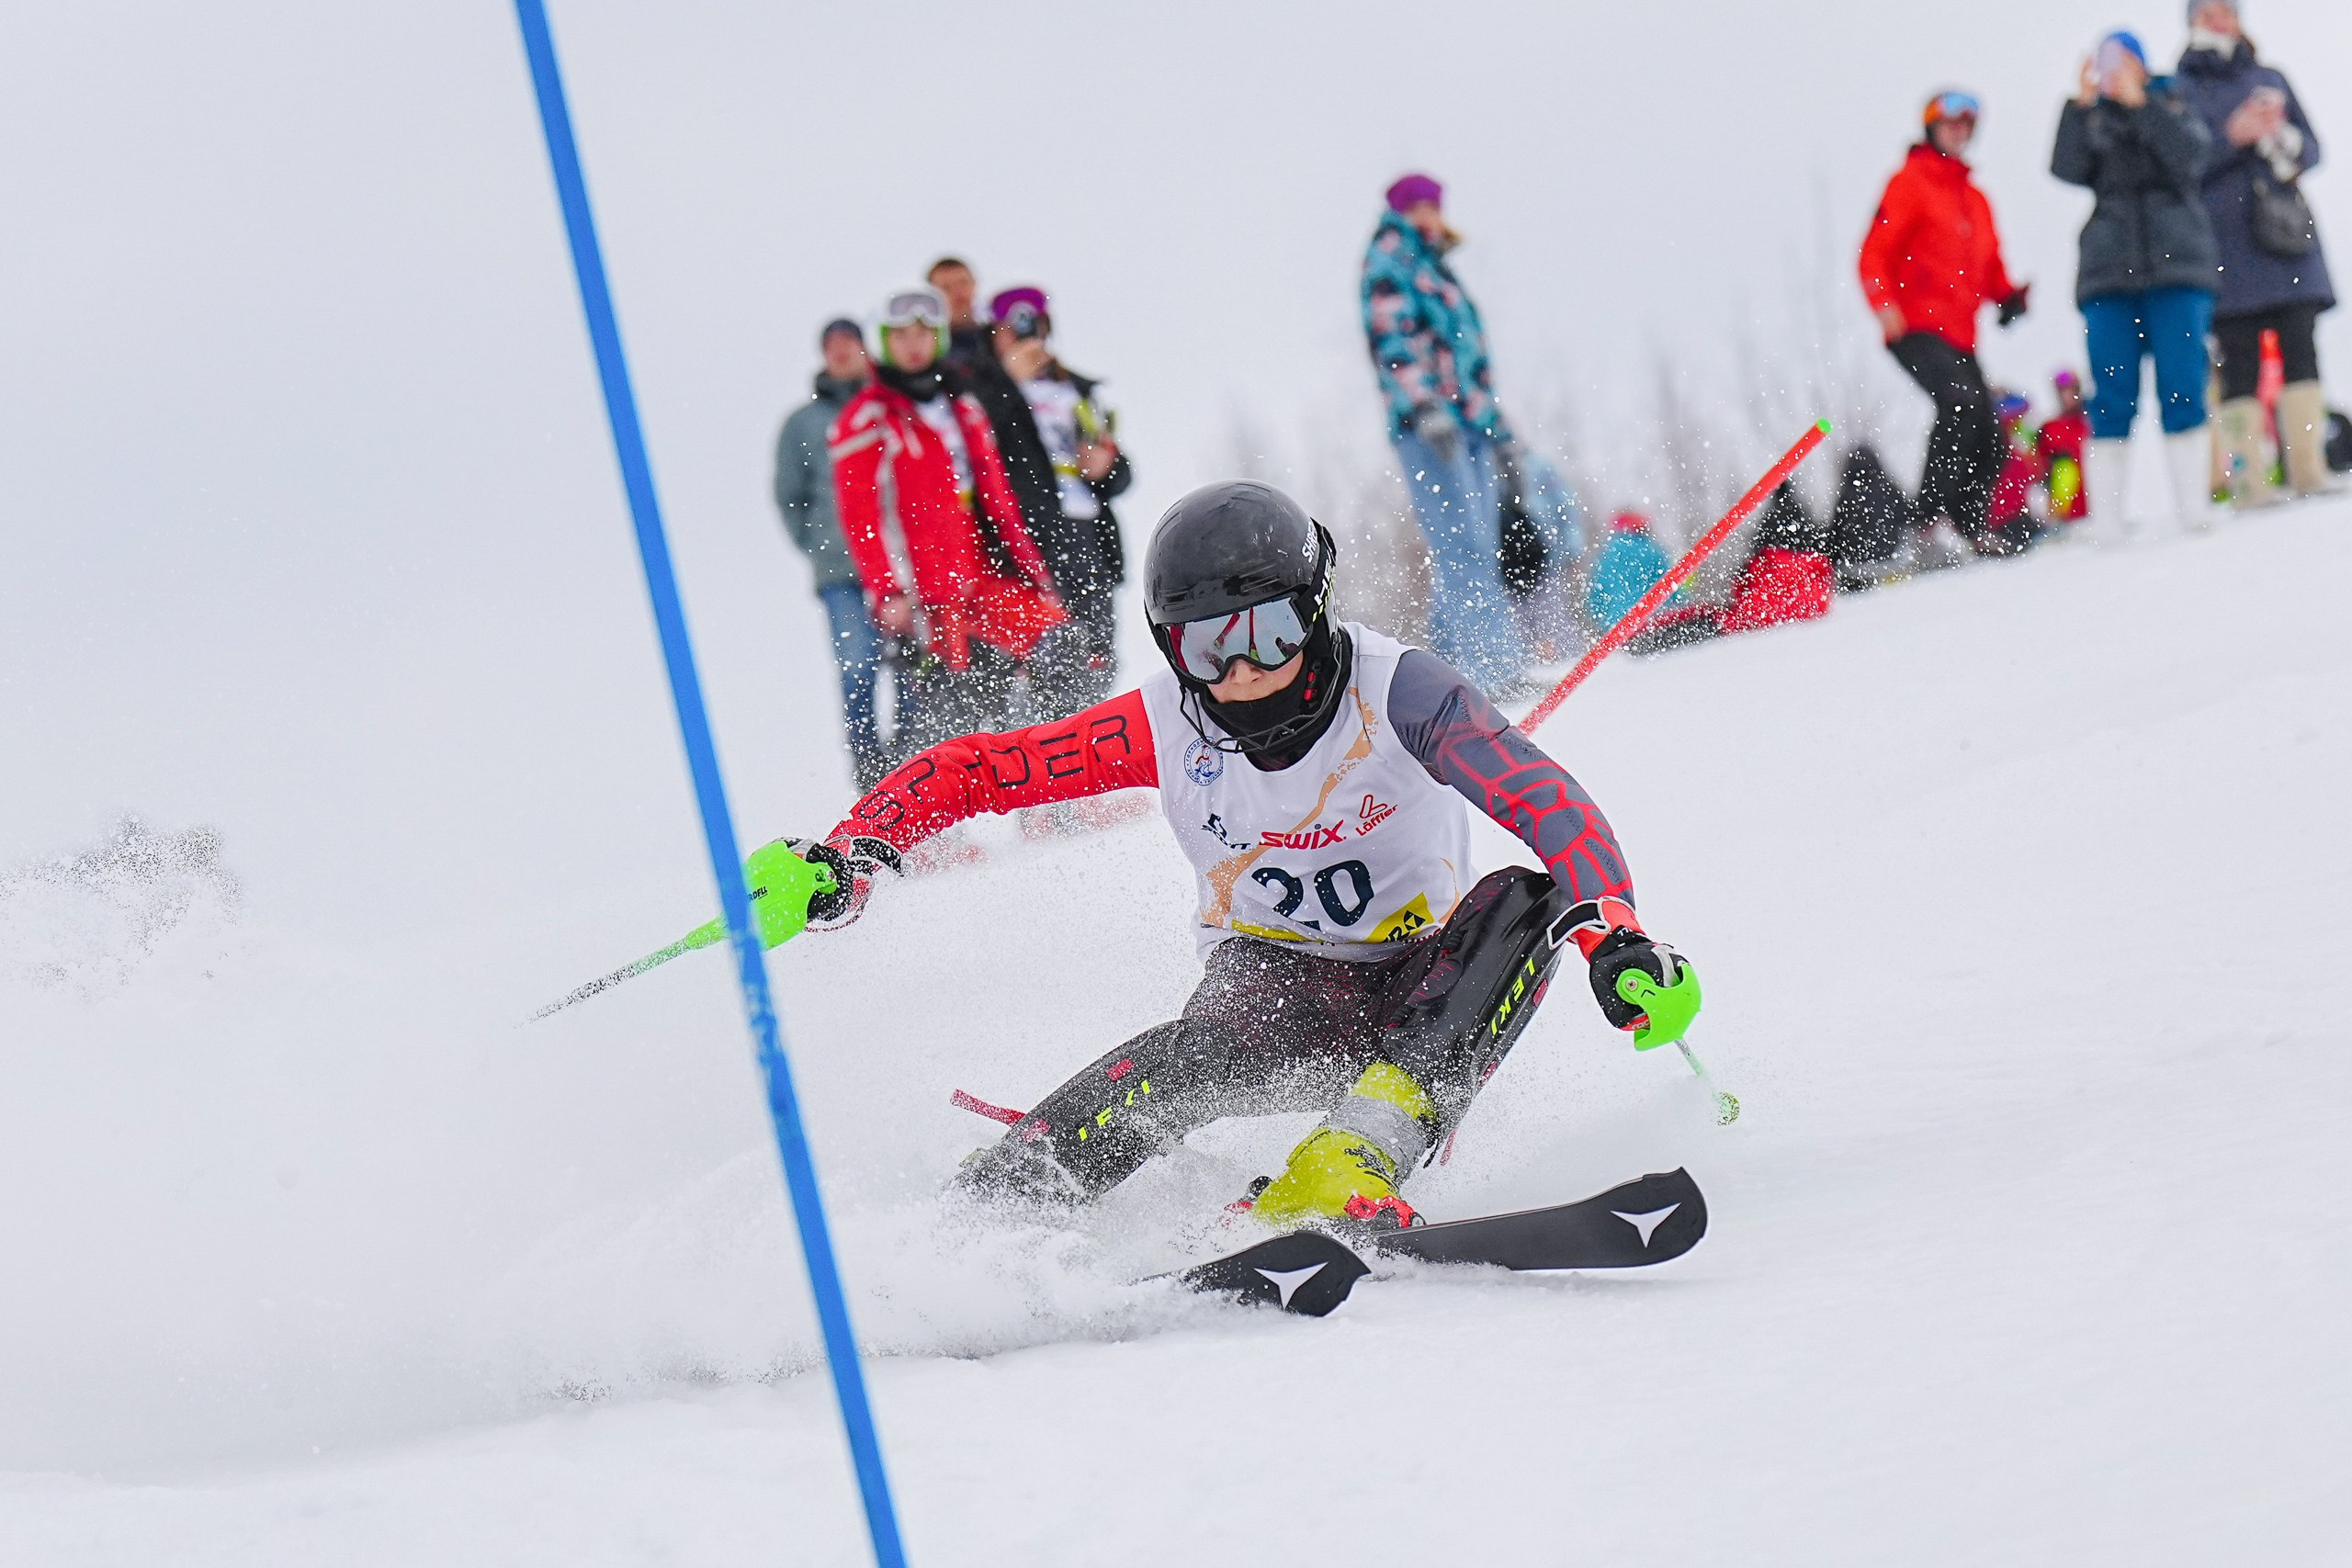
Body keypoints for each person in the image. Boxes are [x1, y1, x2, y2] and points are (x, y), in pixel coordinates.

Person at [774, 481, 1696, 1232]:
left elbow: (1543, 798)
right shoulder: (1161, 726)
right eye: (1210, 648)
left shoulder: (1402, 691)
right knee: (1184, 1059)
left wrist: (1615, 937)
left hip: (1431, 994)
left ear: (1315, 609)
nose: (1244, 671)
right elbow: (981, 771)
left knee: (1531, 901)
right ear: (1173, 646)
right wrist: (854, 850)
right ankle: (1008, 1199)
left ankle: (1356, 1153)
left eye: (1270, 632)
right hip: (1273, 993)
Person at [828, 286, 1071, 743]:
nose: (914, 344)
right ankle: (943, 808)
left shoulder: (962, 405)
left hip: (982, 572)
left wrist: (1034, 572)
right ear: (883, 342)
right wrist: (887, 591)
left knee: (1060, 649)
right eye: (900, 335)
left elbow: (999, 501)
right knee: (957, 711)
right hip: (927, 592)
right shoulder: (867, 418)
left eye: (924, 332)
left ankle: (1060, 795)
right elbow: (862, 519)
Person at [1361, 173, 1532, 690]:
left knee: (1474, 544)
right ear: (1404, 211)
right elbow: (1392, 339)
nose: (1432, 216)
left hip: (1467, 425)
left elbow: (1466, 355)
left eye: (1435, 206)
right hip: (1430, 426)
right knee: (1463, 547)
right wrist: (1424, 405)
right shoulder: (1391, 259)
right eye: (1422, 207)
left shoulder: (1432, 265)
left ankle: (1448, 672)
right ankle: (1492, 673)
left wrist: (1496, 428)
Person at [2052, 31, 2222, 537]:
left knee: (2183, 382)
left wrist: (2142, 106)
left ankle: (2194, 505)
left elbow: (2192, 157)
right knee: (2110, 391)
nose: (2112, 72)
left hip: (2178, 269)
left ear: (2143, 66)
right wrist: (2079, 109)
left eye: (2122, 62)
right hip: (2109, 276)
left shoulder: (2173, 102)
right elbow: (2066, 167)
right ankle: (2106, 518)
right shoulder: (2093, 118)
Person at [2177, 0, 2338, 502]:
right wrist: (2232, 137)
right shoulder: (2179, 91)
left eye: (2227, 9)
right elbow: (2180, 166)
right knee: (2239, 358)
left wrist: (2281, 137)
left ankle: (2309, 472)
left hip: (2283, 234)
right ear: (2192, 22)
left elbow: (2311, 149)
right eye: (2207, 12)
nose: (2219, 19)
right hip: (2222, 244)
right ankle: (2248, 483)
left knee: (2301, 346)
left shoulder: (2270, 77)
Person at [1859, 90, 2031, 551]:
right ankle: (1927, 525)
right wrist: (1883, 302)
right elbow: (1874, 252)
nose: (1957, 133)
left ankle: (1970, 527)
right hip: (1914, 325)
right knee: (1960, 404)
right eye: (1948, 124)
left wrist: (2009, 297)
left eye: (1965, 125)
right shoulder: (1911, 182)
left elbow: (1990, 268)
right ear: (1931, 128)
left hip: (1960, 334)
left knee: (1991, 434)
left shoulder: (1976, 200)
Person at [989, 285, 1133, 710]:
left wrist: (1107, 466)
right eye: (1013, 328)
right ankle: (1033, 746)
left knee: (1097, 654)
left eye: (1035, 325)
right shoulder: (984, 391)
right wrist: (1006, 381)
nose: (1027, 336)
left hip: (1088, 534)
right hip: (1026, 538)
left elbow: (1122, 473)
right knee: (1038, 655)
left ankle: (1082, 741)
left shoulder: (1080, 391)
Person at [775, 318, 894, 790]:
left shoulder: (889, 407)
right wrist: (820, 545)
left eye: (850, 343)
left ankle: (914, 775)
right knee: (858, 668)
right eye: (833, 346)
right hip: (842, 574)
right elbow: (790, 494)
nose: (843, 353)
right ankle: (871, 778)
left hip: (900, 567)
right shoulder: (804, 424)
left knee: (911, 676)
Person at [1585, 511, 1673, 633]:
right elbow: (1670, 586)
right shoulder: (1653, 551)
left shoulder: (1607, 556)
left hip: (1619, 625)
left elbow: (1597, 595)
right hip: (1653, 620)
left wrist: (1604, 620)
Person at [2037, 371, 2093, 523]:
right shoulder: (2050, 427)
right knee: (2064, 466)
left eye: (2072, 390)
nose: (2068, 396)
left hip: (2094, 499)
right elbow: (2038, 465)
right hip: (2067, 510)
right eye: (2063, 391)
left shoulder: (2093, 423)